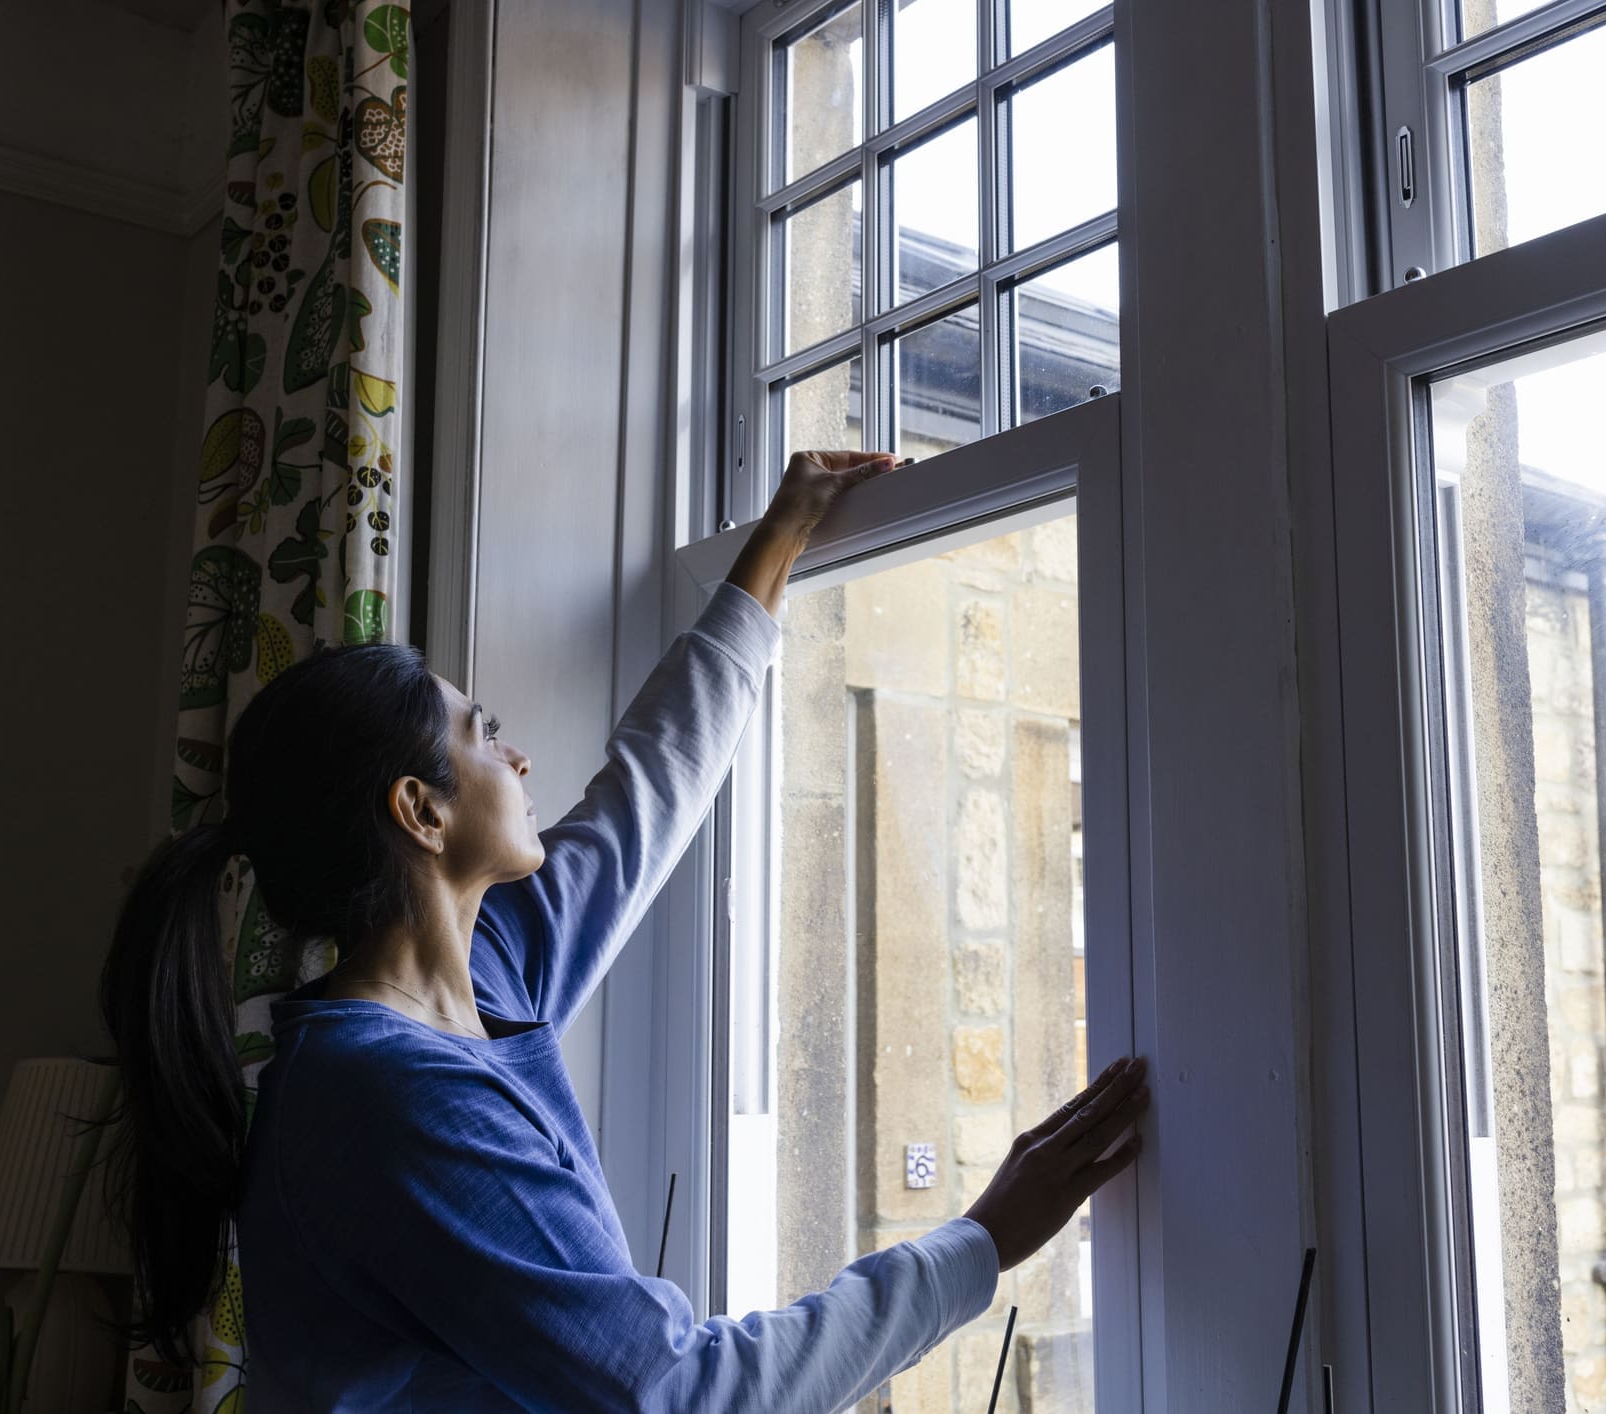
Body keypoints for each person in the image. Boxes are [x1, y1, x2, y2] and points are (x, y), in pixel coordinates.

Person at [98, 448, 1148, 1411]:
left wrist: (777, 542)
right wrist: (978, 1244)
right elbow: (677, 1394)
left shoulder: (486, 970)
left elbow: (645, 795)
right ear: (419, 811)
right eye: (483, 734)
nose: (514, 759)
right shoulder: (388, 1096)